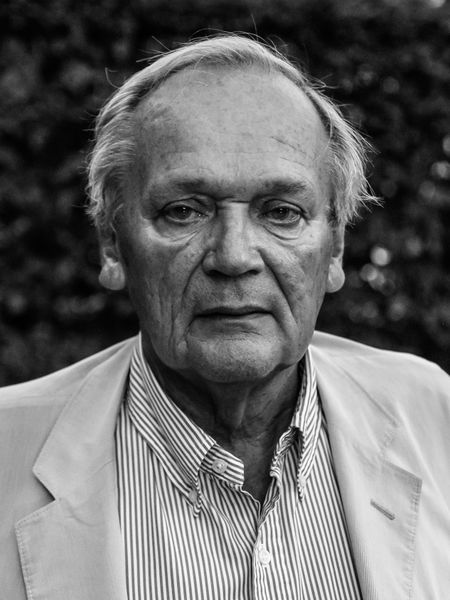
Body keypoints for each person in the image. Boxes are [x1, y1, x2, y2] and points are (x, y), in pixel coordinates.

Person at [1, 35, 449, 600]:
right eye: (184, 211)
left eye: (281, 212)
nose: (234, 256)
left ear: (335, 249)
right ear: (113, 246)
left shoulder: (434, 417)